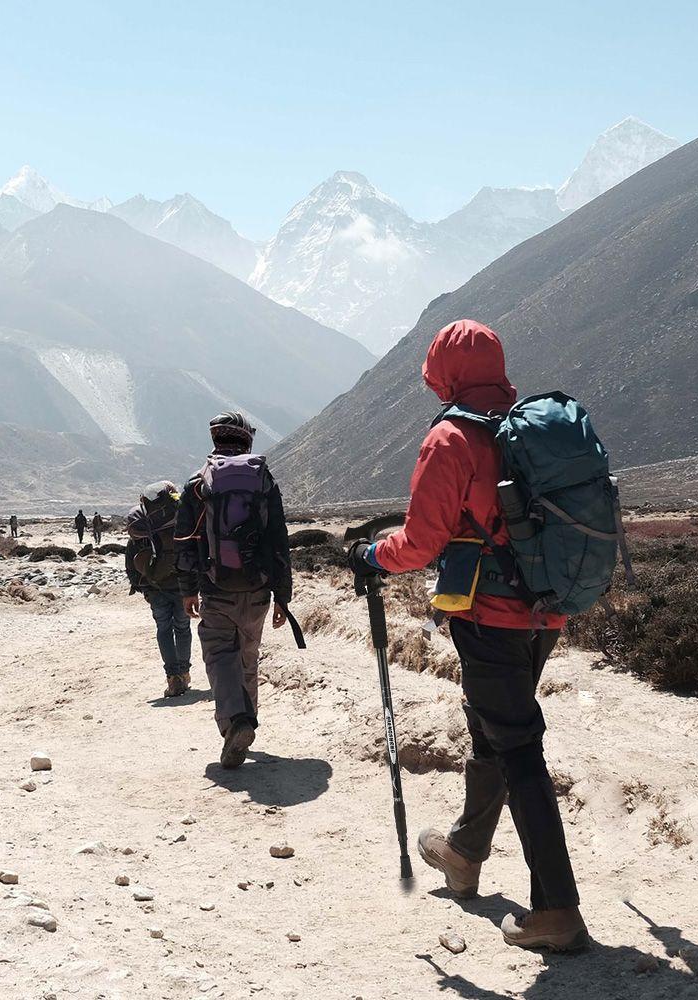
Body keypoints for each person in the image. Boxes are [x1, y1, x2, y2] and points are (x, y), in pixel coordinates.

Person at [348, 320, 588, 953]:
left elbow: (421, 542)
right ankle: (464, 852)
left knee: (517, 747)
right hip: (546, 610)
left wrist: (373, 555)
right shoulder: (527, 431)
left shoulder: (451, 438)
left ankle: (557, 909)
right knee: (493, 728)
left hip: (487, 615)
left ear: (444, 371)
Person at [174, 411, 295, 768]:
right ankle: (247, 721)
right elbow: (278, 540)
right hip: (258, 590)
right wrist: (282, 596)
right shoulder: (263, 481)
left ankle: (236, 723)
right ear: (247, 440)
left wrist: (187, 589)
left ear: (215, 440)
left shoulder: (198, 483)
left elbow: (184, 541)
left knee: (219, 655)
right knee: (247, 656)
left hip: (216, 588)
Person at [125, 481, 192, 698]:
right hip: (181, 584)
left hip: (154, 586)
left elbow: (131, 557)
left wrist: (138, 584)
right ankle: (185, 672)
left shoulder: (143, 523)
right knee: (182, 628)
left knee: (163, 629)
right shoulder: (179, 517)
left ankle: (173, 679)